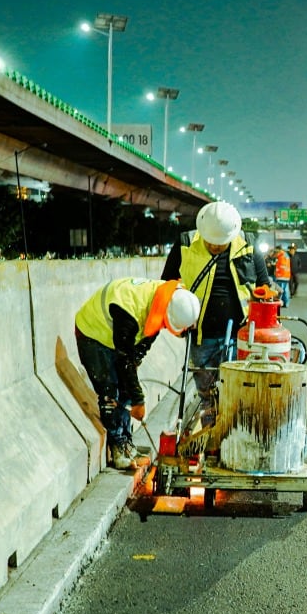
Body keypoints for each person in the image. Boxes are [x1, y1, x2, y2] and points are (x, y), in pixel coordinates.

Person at [161, 200, 272, 430]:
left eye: (220, 243)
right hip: (202, 335)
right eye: (210, 242)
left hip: (240, 336)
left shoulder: (248, 246)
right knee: (207, 395)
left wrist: (264, 297)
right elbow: (166, 286)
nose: (215, 247)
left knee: (236, 392)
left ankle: (233, 435)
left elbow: (264, 287)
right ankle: (212, 439)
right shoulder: (185, 245)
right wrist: (178, 316)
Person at [74, 277, 201, 470]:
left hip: (116, 337)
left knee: (126, 385)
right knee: (109, 390)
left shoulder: (163, 298)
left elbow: (144, 341)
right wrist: (138, 400)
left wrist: (133, 376)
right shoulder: (130, 311)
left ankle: (127, 442)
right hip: (93, 334)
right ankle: (117, 446)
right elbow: (123, 358)